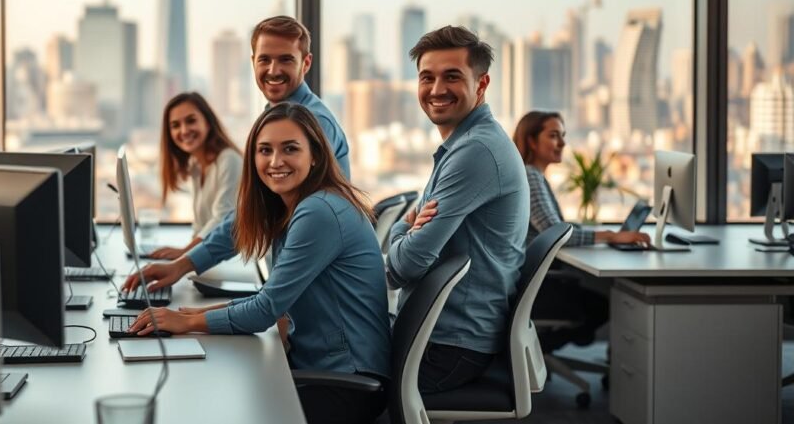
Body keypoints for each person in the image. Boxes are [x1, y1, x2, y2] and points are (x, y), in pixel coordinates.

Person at [129, 103, 390, 424]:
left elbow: (266, 310)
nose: (275, 161)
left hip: (347, 383)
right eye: (264, 150)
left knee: (213, 405)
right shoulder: (293, 206)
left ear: (317, 156)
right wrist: (191, 313)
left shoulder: (319, 211)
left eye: (290, 149)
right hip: (321, 368)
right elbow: (263, 283)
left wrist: (186, 323)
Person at [123, 16, 350, 292]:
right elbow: (251, 212)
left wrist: (184, 264)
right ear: (253, 62)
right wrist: (183, 263)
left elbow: (259, 213)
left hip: (320, 293)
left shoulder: (312, 123)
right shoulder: (277, 117)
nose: (273, 70)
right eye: (264, 59)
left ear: (306, 63)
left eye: (286, 60)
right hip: (296, 290)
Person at [386, 25, 528, 395]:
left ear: (481, 84)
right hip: (443, 335)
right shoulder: (463, 144)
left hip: (449, 347)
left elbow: (404, 266)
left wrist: (402, 231)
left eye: (452, 77)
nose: (436, 90)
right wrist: (408, 228)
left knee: (331, 373)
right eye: (426, 77)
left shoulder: (475, 152)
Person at [512, 110, 647, 349]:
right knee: (600, 306)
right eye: (554, 136)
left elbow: (555, 226)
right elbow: (555, 232)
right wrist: (609, 236)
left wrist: (602, 233)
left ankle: (539, 349)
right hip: (538, 288)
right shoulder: (530, 177)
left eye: (563, 135)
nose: (562, 143)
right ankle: (540, 348)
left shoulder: (535, 176)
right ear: (532, 140)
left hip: (535, 282)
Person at [147, 92, 243, 260]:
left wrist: (184, 254)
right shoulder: (195, 165)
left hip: (234, 259)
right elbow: (201, 226)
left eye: (191, 121)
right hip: (212, 260)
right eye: (175, 125)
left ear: (208, 122)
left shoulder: (229, 159)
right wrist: (181, 258)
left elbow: (223, 219)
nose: (183, 130)